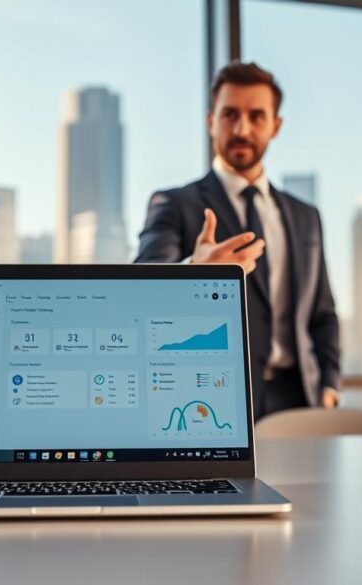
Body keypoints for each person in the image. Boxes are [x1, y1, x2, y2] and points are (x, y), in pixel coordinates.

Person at [135, 62, 341, 421]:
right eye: (230, 114)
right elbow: (142, 289)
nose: (242, 129)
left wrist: (329, 387)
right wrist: (195, 272)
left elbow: (322, 314)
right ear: (210, 121)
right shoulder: (174, 204)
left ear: (275, 126)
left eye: (256, 116)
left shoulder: (306, 216)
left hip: (302, 400)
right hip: (214, 397)